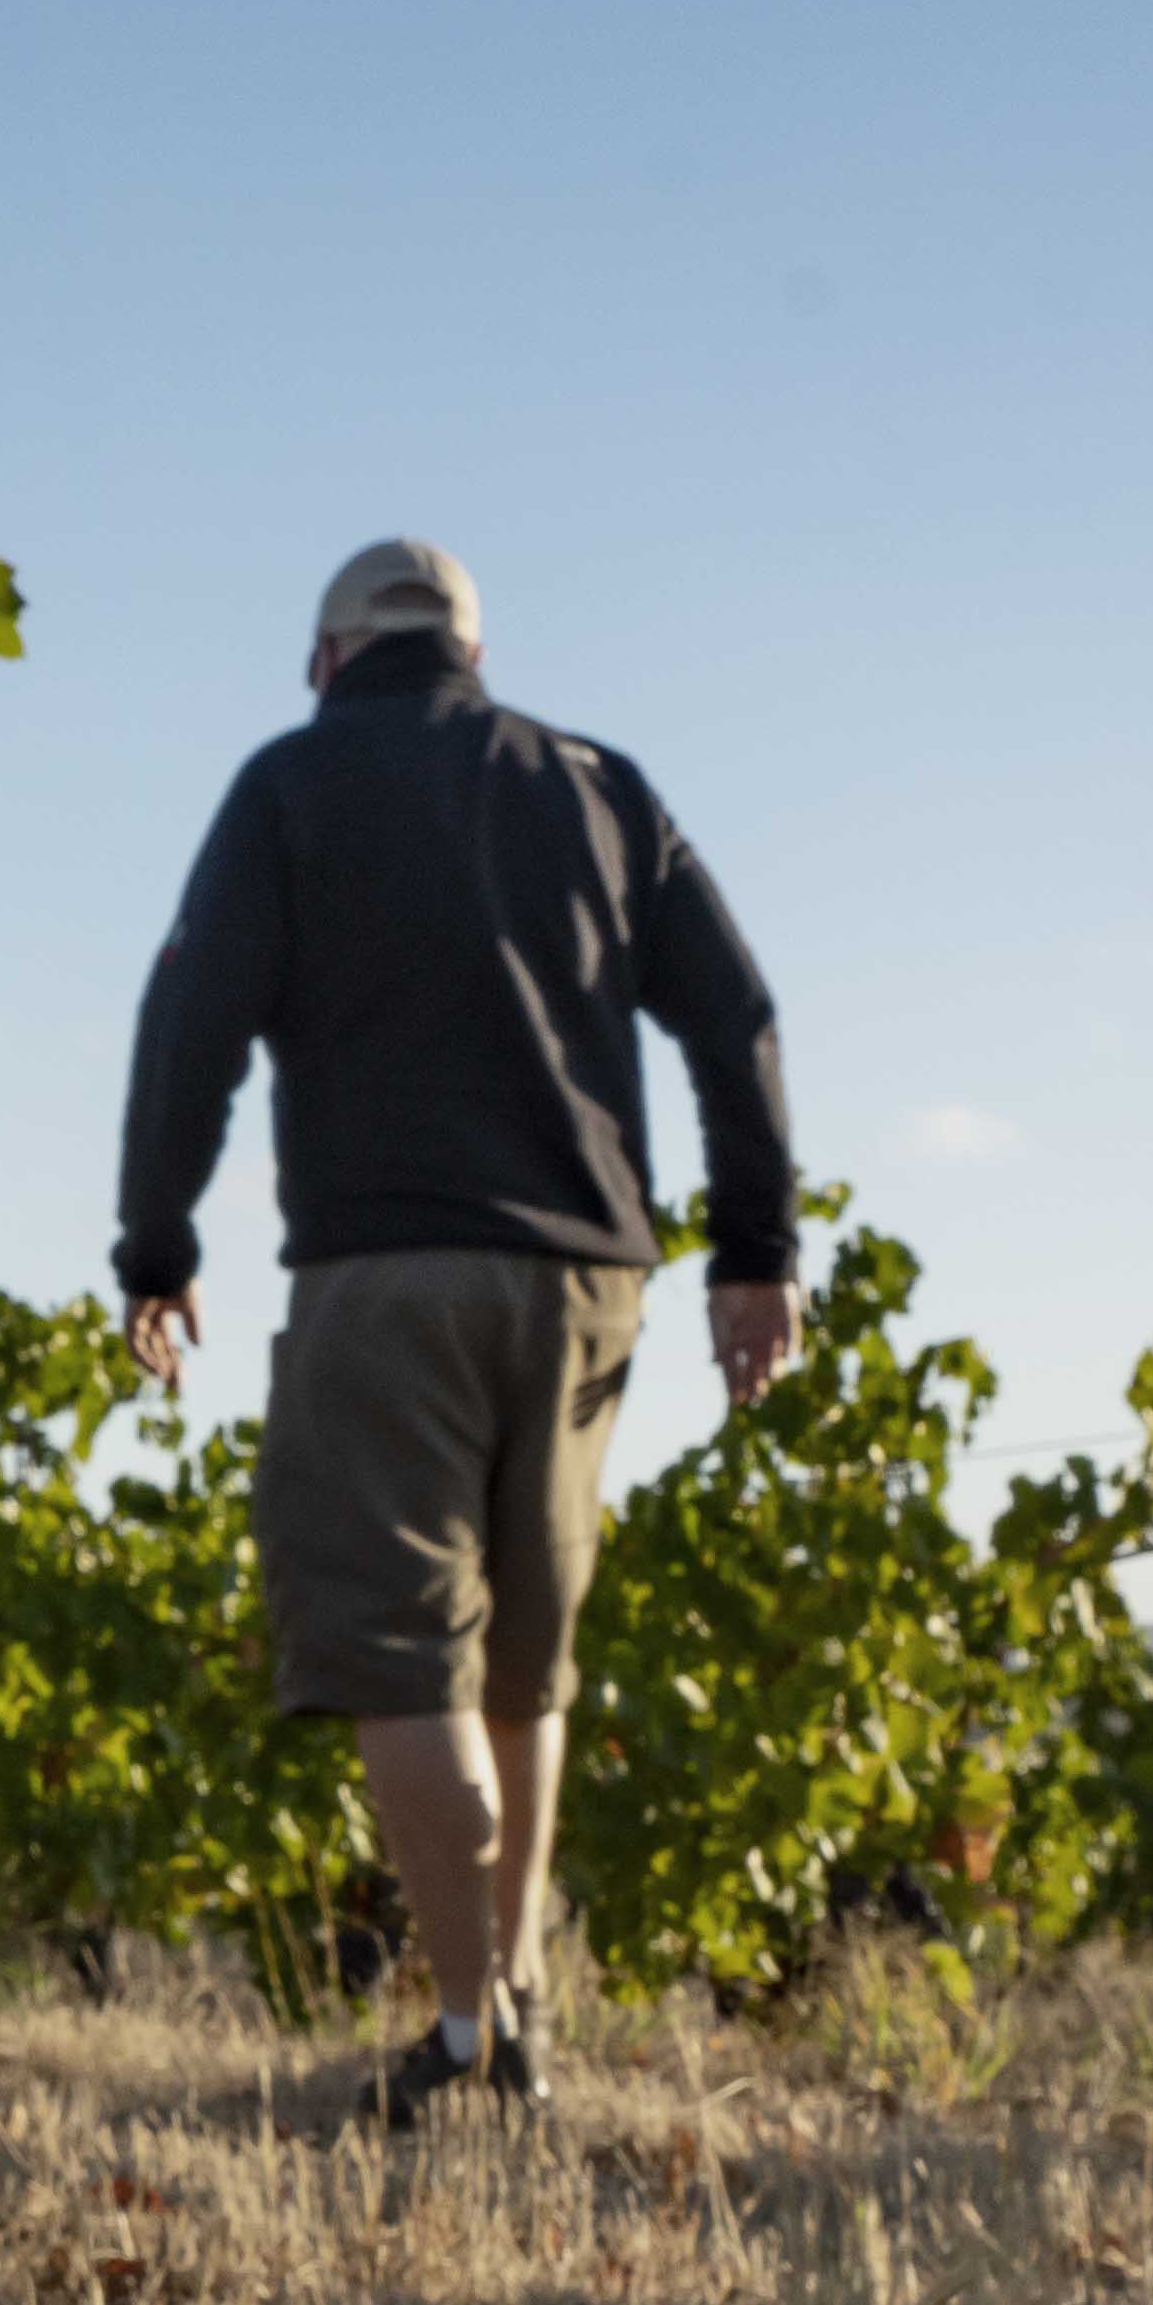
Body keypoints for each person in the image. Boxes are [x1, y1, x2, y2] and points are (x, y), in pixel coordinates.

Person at [109, 537, 799, 2129]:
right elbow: (736, 1016)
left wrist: (157, 1242)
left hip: (385, 1271)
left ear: (324, 658)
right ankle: (522, 2011)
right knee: (526, 1663)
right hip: (589, 1281)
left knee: (407, 1652)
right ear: (473, 654)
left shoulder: (288, 785)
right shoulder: (602, 785)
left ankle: (470, 2037)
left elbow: (190, 1028)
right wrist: (754, 1252)